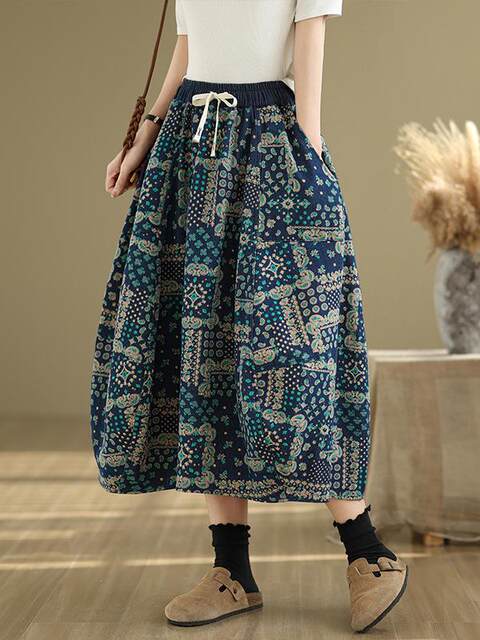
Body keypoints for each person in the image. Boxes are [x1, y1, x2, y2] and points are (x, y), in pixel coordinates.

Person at [90, 0, 408, 631]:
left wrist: (308, 151)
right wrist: (144, 136)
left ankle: (368, 551)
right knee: (202, 348)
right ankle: (231, 570)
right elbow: (190, 46)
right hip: (189, 145)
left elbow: (309, 44)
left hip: (272, 144)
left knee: (292, 358)